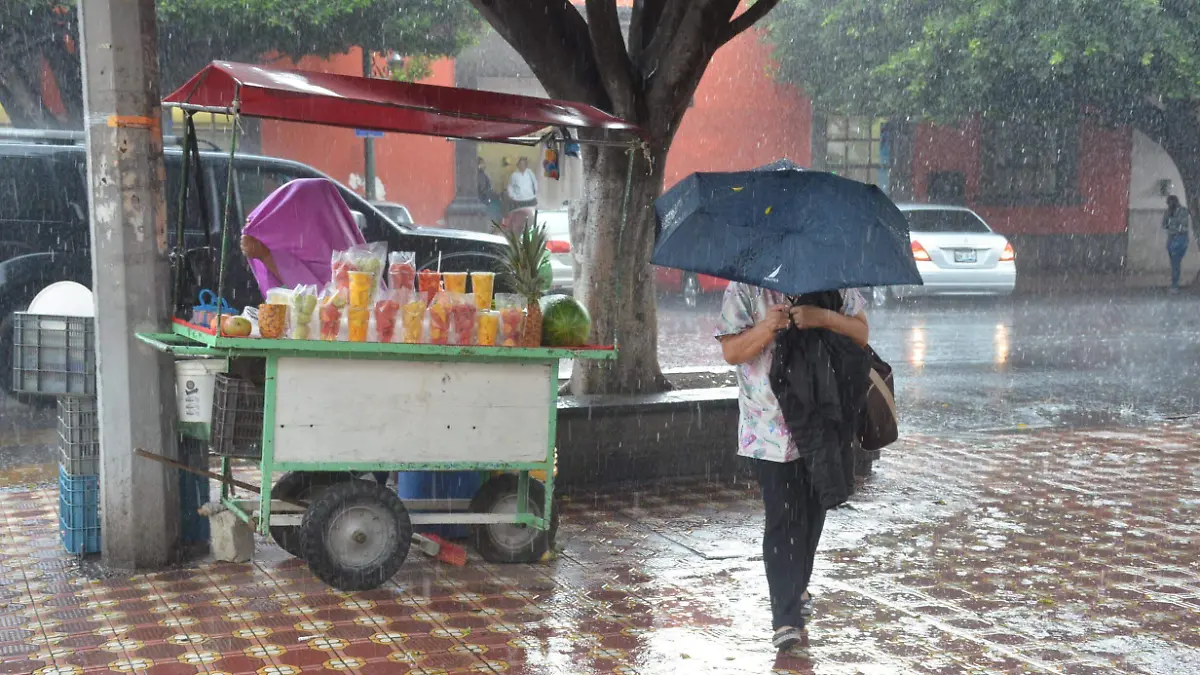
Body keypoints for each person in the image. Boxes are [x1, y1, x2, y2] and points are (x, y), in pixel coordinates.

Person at [715, 283, 868, 651]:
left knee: (813, 514)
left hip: (823, 422)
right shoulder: (744, 289)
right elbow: (732, 351)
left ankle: (797, 588)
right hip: (767, 428)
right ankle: (785, 617)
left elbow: (861, 333)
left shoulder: (831, 279)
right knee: (784, 518)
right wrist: (768, 327)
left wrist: (822, 318)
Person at [1162, 195, 1192, 292]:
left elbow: (1182, 227)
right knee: (1174, 263)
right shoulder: (1168, 212)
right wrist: (1174, 227)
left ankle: (1174, 285)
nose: (1169, 205)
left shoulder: (1182, 211)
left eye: (1170, 203)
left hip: (1179, 239)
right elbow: (1164, 225)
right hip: (1173, 239)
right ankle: (1175, 284)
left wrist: (1172, 227)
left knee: (1175, 262)